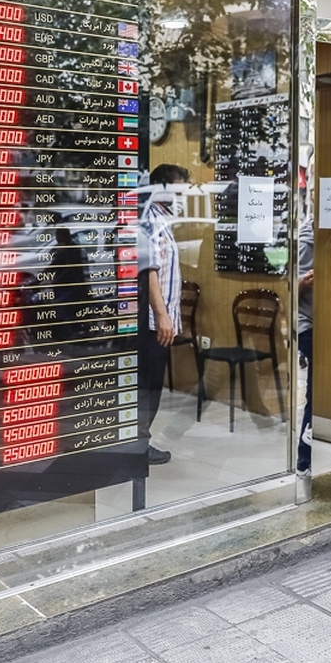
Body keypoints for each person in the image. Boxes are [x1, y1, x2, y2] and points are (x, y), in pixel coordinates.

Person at [138, 164, 189, 465]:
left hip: (160, 317)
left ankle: (140, 442)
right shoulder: (149, 219)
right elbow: (149, 270)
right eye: (177, 187)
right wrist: (161, 314)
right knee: (149, 384)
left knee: (152, 383)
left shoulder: (161, 219)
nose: (181, 194)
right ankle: (139, 446)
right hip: (152, 320)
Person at [296, 218, 315, 477]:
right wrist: (304, 282)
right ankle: (303, 460)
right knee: (317, 388)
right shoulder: (306, 242)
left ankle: (305, 459)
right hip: (306, 325)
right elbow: (288, 285)